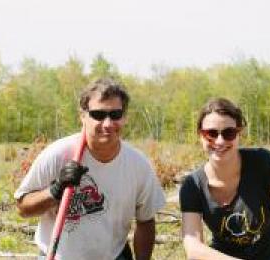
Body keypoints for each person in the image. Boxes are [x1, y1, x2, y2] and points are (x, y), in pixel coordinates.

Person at [15, 77, 166, 260]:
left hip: (112, 255)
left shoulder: (138, 165)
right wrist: (55, 190)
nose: (108, 124)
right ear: (83, 116)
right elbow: (23, 208)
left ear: (124, 117)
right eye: (98, 115)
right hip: (58, 256)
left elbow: (146, 220)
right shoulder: (58, 155)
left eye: (115, 115)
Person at [179, 98, 270, 260]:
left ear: (239, 134)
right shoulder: (193, 186)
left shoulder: (262, 163)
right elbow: (194, 249)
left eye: (229, 133)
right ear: (200, 135)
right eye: (211, 133)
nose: (220, 141)